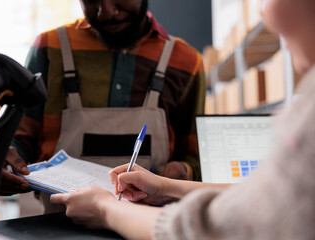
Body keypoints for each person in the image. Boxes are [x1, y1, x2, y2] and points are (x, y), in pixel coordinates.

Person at [49, 0, 315, 239]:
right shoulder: (49, 48)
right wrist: (165, 186)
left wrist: (104, 207)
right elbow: (256, 197)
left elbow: (215, 229)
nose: (106, 10)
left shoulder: (307, 119)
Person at [0, 0, 206, 211]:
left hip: (151, 224)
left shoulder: (186, 61)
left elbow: (195, 156)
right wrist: (1, 158)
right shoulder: (49, 49)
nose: (105, 12)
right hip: (58, 226)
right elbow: (22, 139)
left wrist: (184, 171)